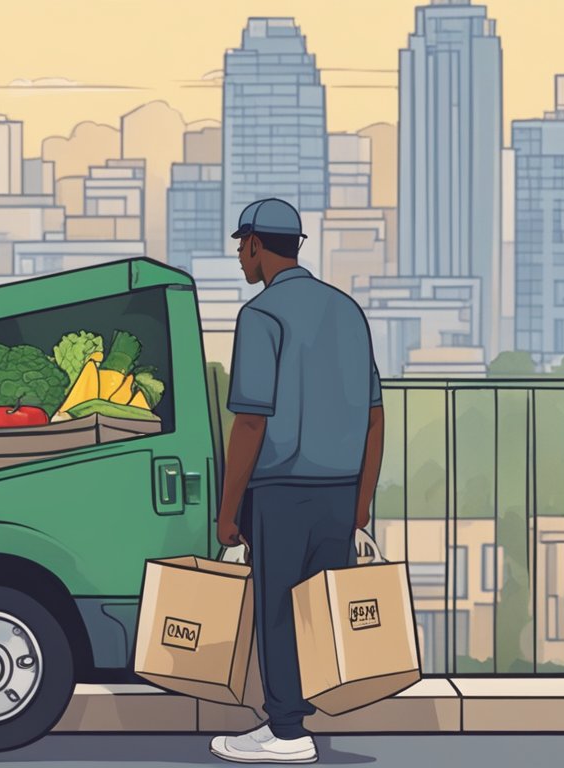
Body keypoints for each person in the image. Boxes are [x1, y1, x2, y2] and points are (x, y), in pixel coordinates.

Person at [209, 198, 385, 764]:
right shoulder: (347, 312)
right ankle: (303, 715)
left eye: (242, 245)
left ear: (258, 245)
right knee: (318, 609)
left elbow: (252, 421)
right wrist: (361, 502)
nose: (240, 255)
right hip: (339, 491)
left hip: (281, 491)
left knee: (279, 611)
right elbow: (375, 415)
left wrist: (228, 508)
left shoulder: (261, 316)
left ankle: (287, 732)